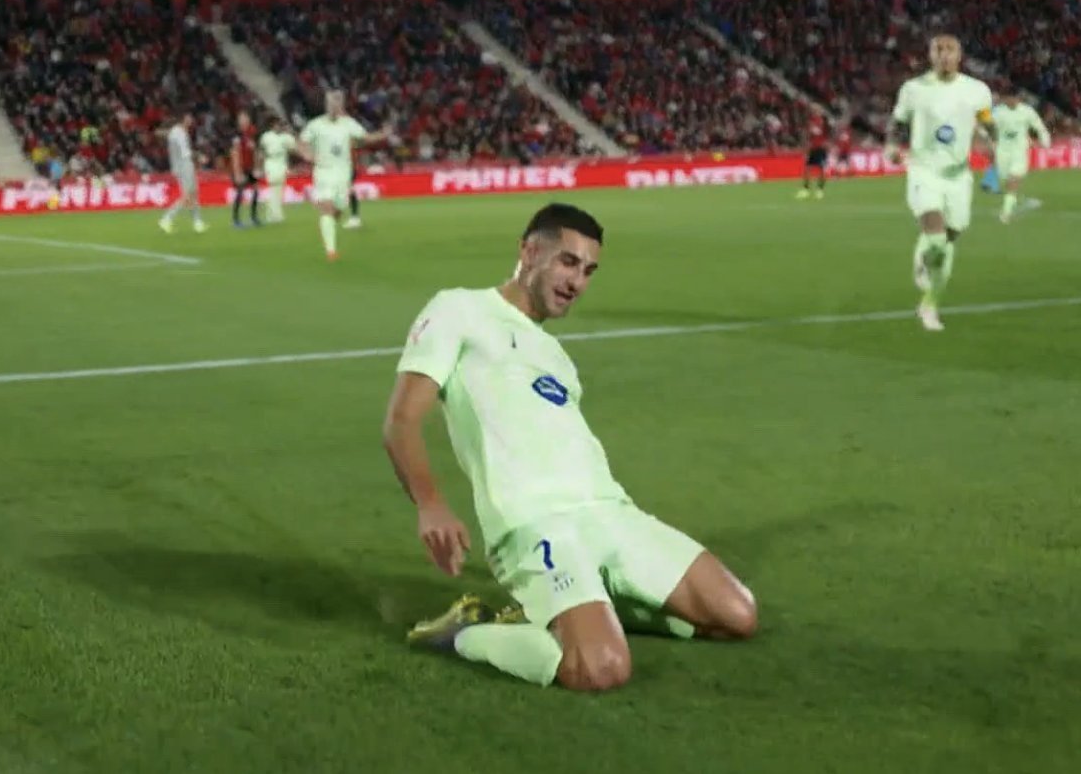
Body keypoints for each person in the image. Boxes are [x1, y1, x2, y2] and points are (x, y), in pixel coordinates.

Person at [386, 204, 759, 691]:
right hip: (534, 524)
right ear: (528, 251)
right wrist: (431, 505)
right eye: (567, 262)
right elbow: (401, 421)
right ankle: (469, 632)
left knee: (737, 615)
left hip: (611, 512)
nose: (577, 281)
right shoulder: (459, 309)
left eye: (588, 271)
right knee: (600, 668)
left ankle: (596, 603)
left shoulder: (554, 355)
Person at [885, 34, 995, 332]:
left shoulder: (977, 90)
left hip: (959, 176)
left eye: (950, 50)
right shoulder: (914, 89)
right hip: (924, 171)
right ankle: (922, 258)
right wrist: (892, 146)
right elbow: (897, 123)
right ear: (930, 55)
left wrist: (988, 144)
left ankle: (929, 303)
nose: (944, 55)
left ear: (960, 55)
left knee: (948, 241)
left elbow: (986, 122)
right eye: (938, 50)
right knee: (935, 239)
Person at [297, 90, 391, 260]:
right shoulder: (315, 125)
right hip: (323, 171)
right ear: (326, 105)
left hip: (343, 174)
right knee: (326, 207)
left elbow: (364, 138)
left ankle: (331, 226)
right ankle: (331, 251)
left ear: (341, 105)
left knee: (337, 210)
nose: (333, 105)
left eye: (337, 102)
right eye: (331, 102)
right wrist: (306, 154)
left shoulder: (348, 123)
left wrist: (382, 135)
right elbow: (302, 141)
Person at [990, 89, 1052, 223]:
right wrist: (989, 141)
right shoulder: (998, 112)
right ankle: (1014, 199)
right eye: (1008, 98)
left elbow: (1039, 126)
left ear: (1018, 99)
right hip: (1002, 151)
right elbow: (988, 127)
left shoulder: (1027, 111)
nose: (1011, 101)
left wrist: (1045, 140)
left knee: (1014, 178)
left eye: (1014, 98)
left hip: (1019, 151)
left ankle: (1006, 212)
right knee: (1007, 180)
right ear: (1004, 99)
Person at [158, 111, 206, 235]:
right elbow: (185, 153)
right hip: (184, 166)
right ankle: (167, 218)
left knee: (194, 193)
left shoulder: (177, 131)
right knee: (187, 196)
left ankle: (198, 222)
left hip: (182, 166)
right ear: (183, 119)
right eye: (189, 117)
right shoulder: (179, 133)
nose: (191, 119)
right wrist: (199, 156)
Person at [258, 116, 297, 225]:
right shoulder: (266, 136)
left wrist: (290, 133)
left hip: (282, 163)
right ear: (272, 126)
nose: (278, 127)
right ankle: (273, 214)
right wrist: (260, 166)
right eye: (276, 125)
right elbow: (261, 151)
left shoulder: (286, 137)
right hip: (270, 162)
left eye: (279, 125)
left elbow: (294, 149)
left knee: (279, 189)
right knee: (273, 187)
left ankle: (276, 214)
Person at [230, 111, 260, 228]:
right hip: (241, 168)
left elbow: (256, 151)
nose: (245, 120)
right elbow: (235, 153)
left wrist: (257, 167)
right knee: (240, 192)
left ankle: (253, 217)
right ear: (239, 121)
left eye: (246, 118)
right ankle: (236, 220)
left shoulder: (252, 132)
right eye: (242, 118)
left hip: (250, 168)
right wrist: (238, 172)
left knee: (256, 191)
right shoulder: (237, 135)